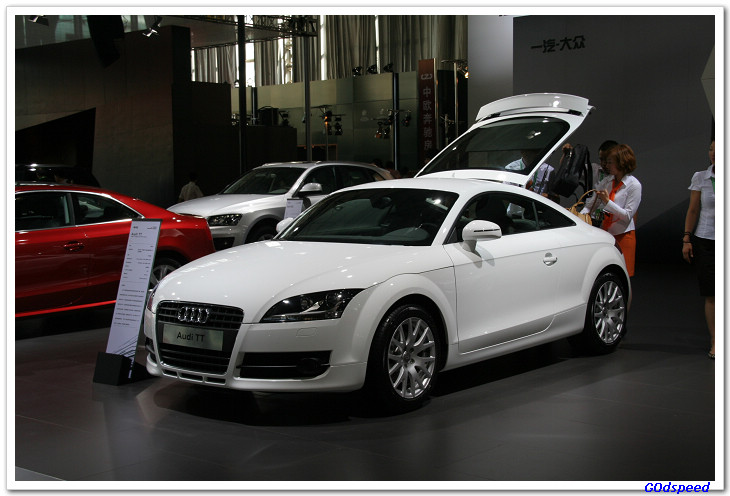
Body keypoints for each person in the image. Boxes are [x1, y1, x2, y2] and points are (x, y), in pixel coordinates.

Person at [582, 144, 642, 277]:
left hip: (624, 235)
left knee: (623, 275)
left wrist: (607, 202)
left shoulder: (634, 185)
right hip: (606, 233)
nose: (606, 165)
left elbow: (627, 215)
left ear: (621, 163)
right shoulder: (607, 181)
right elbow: (591, 204)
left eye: (610, 162)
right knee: (606, 273)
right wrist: (580, 216)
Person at [682, 140, 715, 359]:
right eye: (711, 149)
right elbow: (693, 210)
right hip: (706, 240)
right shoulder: (701, 177)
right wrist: (687, 238)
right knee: (711, 293)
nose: (713, 153)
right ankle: (715, 340)